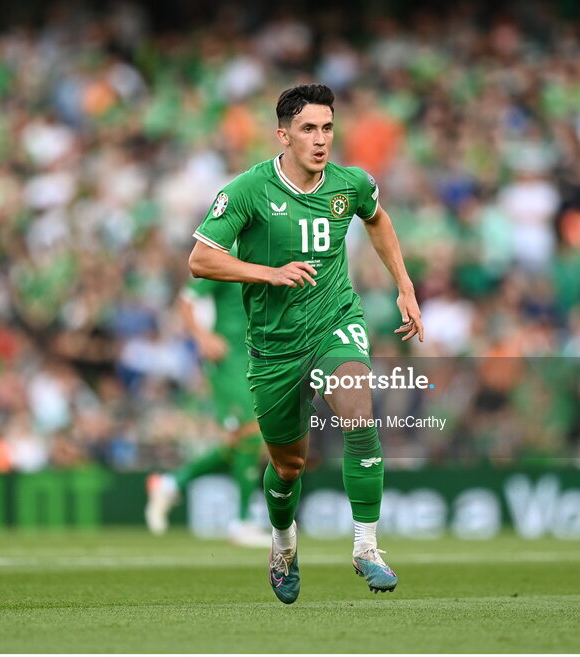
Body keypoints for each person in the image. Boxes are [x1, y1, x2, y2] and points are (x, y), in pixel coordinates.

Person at [187, 83, 424, 604]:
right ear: (283, 135)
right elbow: (201, 260)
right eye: (308, 129)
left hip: (335, 319)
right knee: (288, 466)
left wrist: (404, 286)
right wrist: (267, 273)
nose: (321, 140)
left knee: (360, 417)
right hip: (274, 346)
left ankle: (367, 547)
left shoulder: (351, 183)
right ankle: (283, 542)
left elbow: (378, 220)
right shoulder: (248, 190)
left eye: (328, 128)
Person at [145, 270, 272, 548]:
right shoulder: (227, 258)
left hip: (251, 357)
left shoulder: (264, 254)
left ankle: (170, 484)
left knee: (240, 440)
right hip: (227, 359)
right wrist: (202, 337)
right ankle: (242, 523)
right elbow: (186, 299)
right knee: (252, 432)